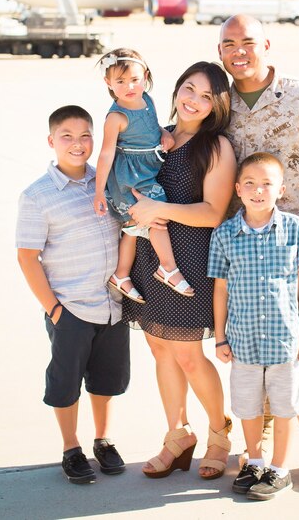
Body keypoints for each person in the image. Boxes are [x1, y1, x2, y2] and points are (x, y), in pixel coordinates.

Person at [218, 15, 299, 491]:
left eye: (247, 42)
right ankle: (267, 433)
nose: (238, 51)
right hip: (246, 250)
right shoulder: (220, 105)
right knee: (256, 349)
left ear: (267, 45)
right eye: (228, 43)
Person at [122, 61, 237, 480]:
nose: (194, 100)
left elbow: (213, 213)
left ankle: (219, 433)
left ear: (217, 105)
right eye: (189, 89)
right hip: (148, 257)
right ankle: (177, 434)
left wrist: (158, 209)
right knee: (158, 348)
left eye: (206, 96)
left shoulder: (216, 147)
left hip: (189, 260)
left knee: (188, 354)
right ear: (176, 90)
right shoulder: (157, 135)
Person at [16, 105, 130, 485]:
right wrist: (54, 309)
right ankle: (71, 446)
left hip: (112, 305)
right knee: (66, 384)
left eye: (85, 136)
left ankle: (103, 440)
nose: (78, 144)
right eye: (67, 136)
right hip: (70, 308)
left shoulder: (106, 181)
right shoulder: (37, 196)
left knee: (106, 381)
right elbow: (27, 257)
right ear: (52, 141)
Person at [209, 152, 299, 500]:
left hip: (285, 339)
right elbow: (221, 289)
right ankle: (254, 460)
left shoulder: (295, 229)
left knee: (284, 407)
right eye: (250, 184)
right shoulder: (225, 234)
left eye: (267, 184)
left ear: (280, 189)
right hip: (243, 340)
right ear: (238, 189)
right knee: (248, 406)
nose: (258, 191)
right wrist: (221, 337)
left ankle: (280, 469)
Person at [94, 47, 194, 301]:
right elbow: (105, 155)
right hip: (129, 178)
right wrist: (99, 192)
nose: (129, 86)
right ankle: (168, 268)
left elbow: (151, 125)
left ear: (145, 76)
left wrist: (164, 133)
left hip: (147, 166)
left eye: (135, 80)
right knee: (156, 215)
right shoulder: (116, 117)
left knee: (131, 227)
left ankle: (121, 274)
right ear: (108, 83)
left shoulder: (146, 99)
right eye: (120, 81)